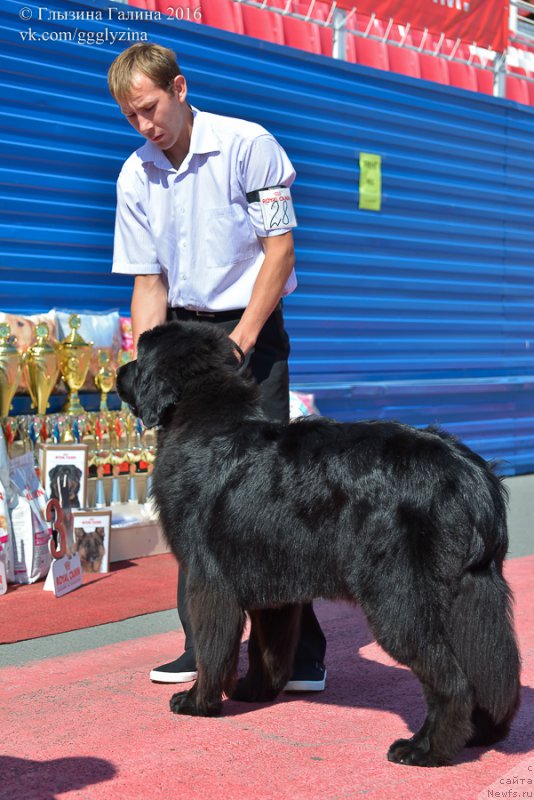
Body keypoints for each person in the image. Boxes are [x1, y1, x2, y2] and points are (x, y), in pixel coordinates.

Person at [108, 42, 326, 691]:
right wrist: (151, 371)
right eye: (131, 117)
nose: (146, 126)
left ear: (179, 87)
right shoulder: (134, 175)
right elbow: (149, 283)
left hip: (252, 329)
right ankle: (204, 648)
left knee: (267, 498)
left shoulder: (248, 145)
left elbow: (279, 251)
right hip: (186, 335)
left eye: (150, 108)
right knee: (193, 495)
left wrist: (243, 339)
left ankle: (297, 651)